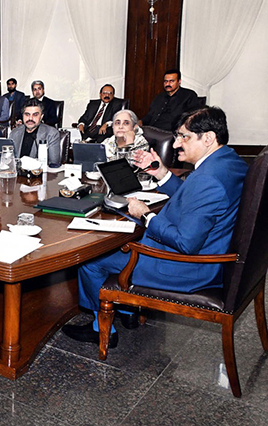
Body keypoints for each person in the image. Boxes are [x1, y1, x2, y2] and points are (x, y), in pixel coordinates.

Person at [62, 106, 247, 348]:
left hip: (187, 268)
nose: (177, 144)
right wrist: (161, 173)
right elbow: (196, 203)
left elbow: (186, 243)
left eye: (184, 137)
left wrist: (146, 215)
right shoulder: (230, 162)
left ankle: (101, 327)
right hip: (212, 251)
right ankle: (127, 312)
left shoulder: (207, 179)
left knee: (90, 261)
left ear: (209, 138)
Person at [9, 99, 61, 167]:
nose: (30, 118)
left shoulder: (51, 134)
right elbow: (9, 160)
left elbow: (53, 163)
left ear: (41, 117)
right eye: (27, 114)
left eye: (35, 115)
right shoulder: (14, 133)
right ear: (22, 116)